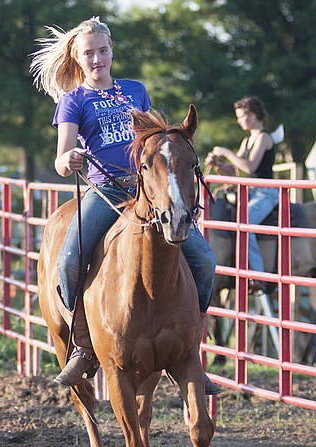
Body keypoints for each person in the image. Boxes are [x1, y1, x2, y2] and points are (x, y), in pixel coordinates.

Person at [31, 17, 219, 393]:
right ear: (78, 58)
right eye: (89, 53)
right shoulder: (74, 100)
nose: (97, 59)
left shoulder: (135, 90)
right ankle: (84, 345)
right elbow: (61, 154)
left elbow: (154, 140)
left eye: (102, 51)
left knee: (204, 260)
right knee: (69, 259)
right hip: (106, 192)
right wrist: (68, 160)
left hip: (147, 191)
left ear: (112, 52)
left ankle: (189, 348)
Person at [206, 96, 276, 294]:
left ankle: (257, 276)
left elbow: (249, 166)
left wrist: (226, 152)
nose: (239, 121)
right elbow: (236, 170)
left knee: (246, 224)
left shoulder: (263, 137)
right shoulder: (248, 140)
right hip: (252, 192)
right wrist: (219, 164)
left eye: (241, 116)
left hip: (266, 193)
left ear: (252, 115)